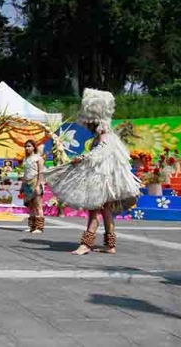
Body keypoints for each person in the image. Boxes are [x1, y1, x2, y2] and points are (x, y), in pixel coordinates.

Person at [45, 89, 140, 255]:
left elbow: (101, 152)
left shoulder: (104, 135)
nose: (87, 126)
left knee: (94, 211)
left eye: (88, 123)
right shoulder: (108, 135)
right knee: (106, 211)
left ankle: (86, 245)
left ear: (93, 120)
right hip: (106, 180)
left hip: (101, 181)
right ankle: (110, 245)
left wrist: (81, 158)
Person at [21, 140, 45, 233]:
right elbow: (25, 173)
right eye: (26, 146)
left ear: (34, 147)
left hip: (35, 182)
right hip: (27, 183)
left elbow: (41, 172)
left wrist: (38, 185)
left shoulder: (38, 158)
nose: (27, 148)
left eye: (29, 146)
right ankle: (32, 226)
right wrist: (22, 185)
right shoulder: (25, 159)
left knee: (38, 206)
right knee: (30, 206)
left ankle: (39, 228)